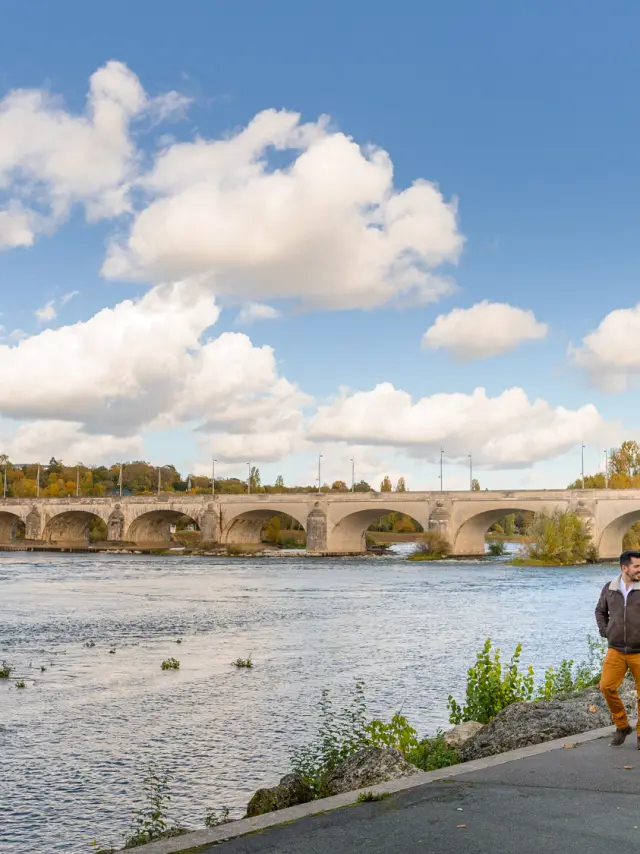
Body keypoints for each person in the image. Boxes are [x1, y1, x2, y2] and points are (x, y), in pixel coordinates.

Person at [596, 550, 640, 747]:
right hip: (616, 649)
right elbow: (600, 611)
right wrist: (606, 631)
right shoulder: (610, 588)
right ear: (624, 568)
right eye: (637, 566)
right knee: (606, 686)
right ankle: (622, 725)